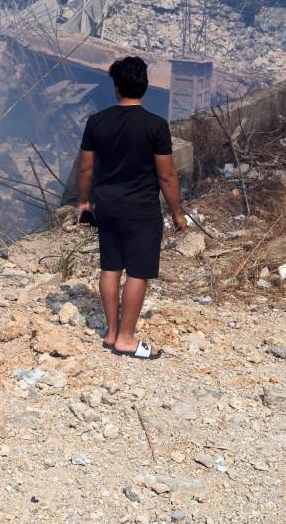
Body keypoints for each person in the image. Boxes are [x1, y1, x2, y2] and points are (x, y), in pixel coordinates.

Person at [76, 56, 186, 360]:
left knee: (110, 267)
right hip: (142, 211)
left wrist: (83, 202)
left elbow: (86, 170)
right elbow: (166, 175)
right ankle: (126, 337)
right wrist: (177, 212)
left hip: (107, 208)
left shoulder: (96, 122)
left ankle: (111, 332)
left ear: (116, 88)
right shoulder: (155, 125)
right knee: (138, 272)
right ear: (145, 87)